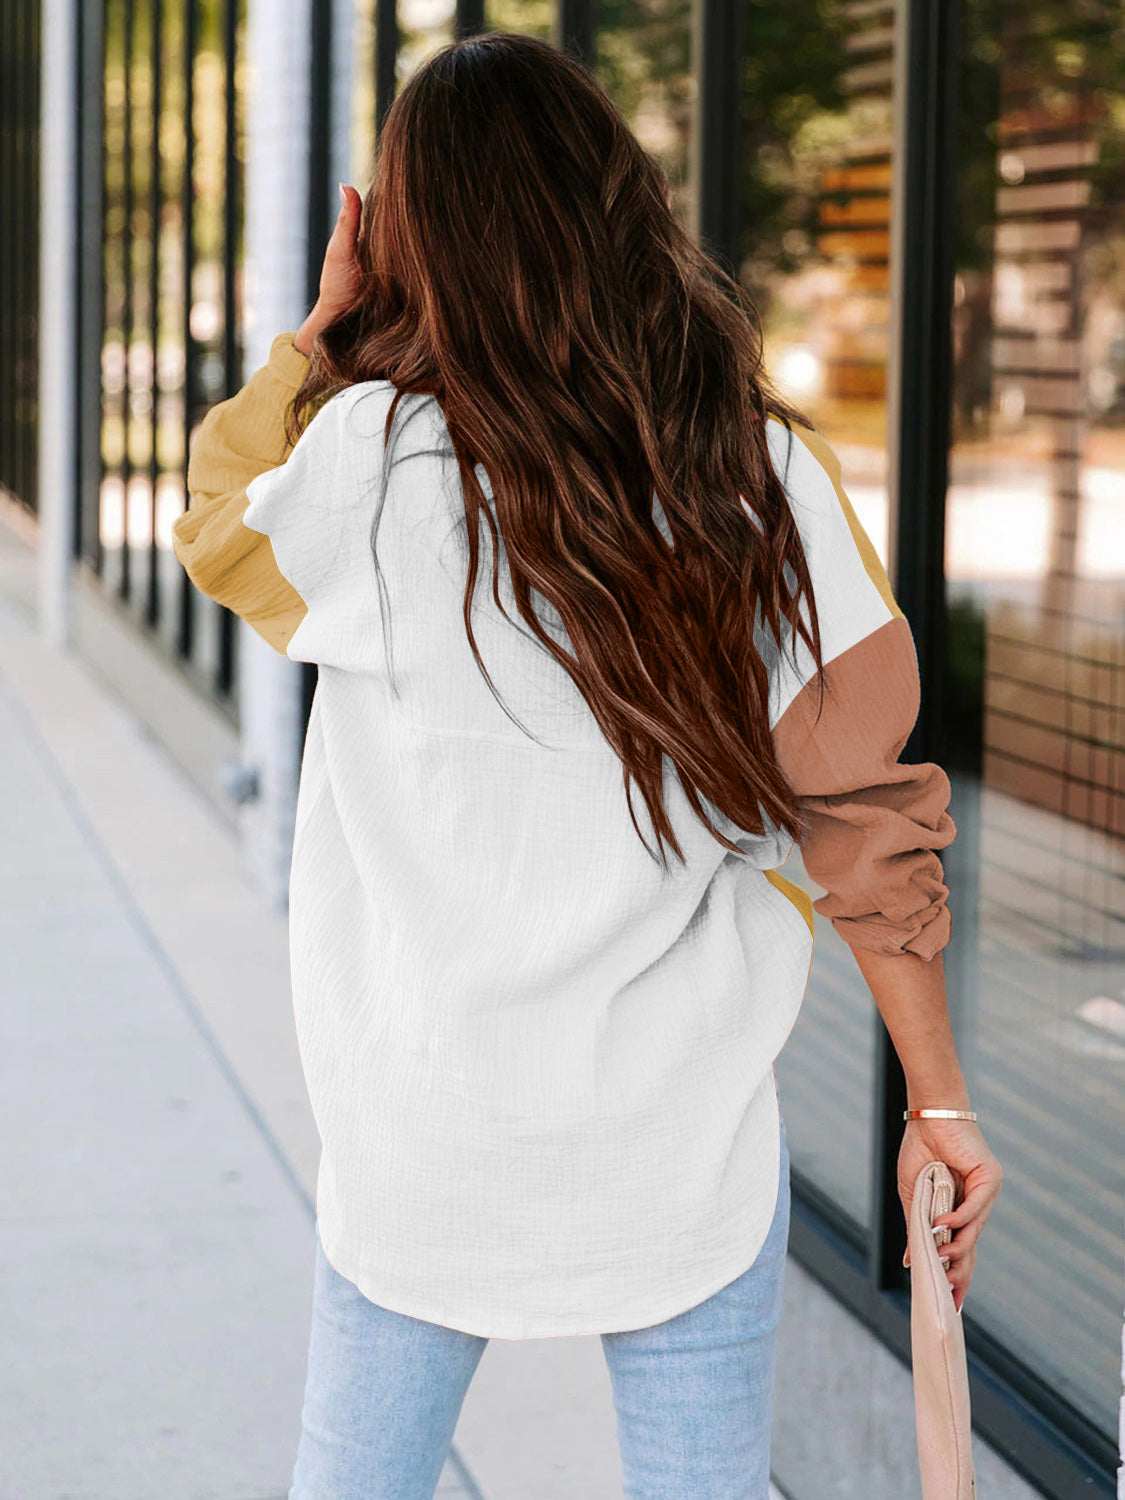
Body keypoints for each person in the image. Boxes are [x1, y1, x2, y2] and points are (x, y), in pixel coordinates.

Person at [172, 30, 1003, 1500]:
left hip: (424, 1138)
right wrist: (936, 1108)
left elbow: (217, 517)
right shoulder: (757, 476)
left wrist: (319, 336)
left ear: (409, 239)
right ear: (618, 203)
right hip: (676, 1147)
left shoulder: (369, 468)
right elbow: (865, 832)